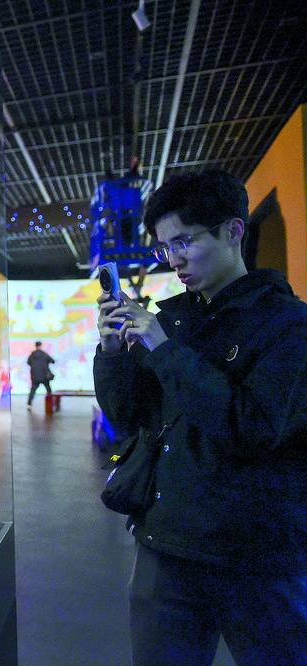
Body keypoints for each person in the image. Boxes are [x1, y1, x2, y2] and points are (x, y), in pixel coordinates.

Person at [93, 169, 307, 665]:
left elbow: (251, 428)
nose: (174, 260)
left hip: (258, 557)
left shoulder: (287, 325)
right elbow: (129, 415)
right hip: (166, 546)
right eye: (165, 247)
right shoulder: (171, 319)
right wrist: (113, 352)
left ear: (234, 231)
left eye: (185, 241)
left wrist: (165, 350)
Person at [26, 341, 55, 409]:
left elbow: (28, 362)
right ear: (41, 346)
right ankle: (51, 404)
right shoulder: (44, 354)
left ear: (35, 346)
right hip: (44, 376)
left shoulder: (32, 355)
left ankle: (29, 404)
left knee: (33, 390)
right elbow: (53, 361)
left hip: (35, 376)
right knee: (48, 390)